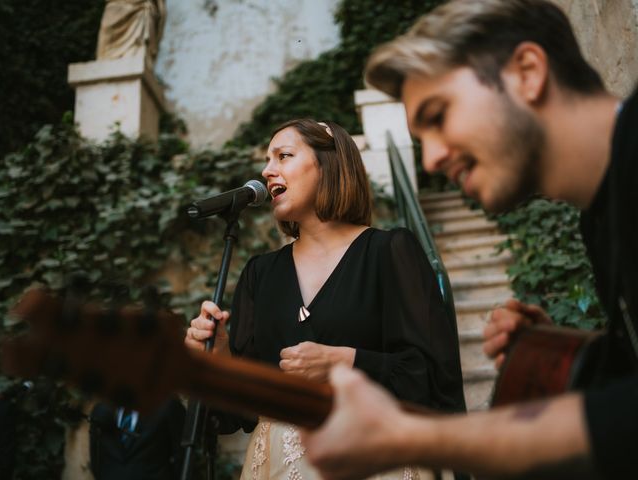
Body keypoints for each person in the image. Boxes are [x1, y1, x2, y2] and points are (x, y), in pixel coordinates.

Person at [299, 0, 638, 479]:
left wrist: (412, 437)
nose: (432, 159)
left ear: (527, 71)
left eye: (438, 116)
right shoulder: (598, 217)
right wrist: (563, 350)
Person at [185, 118, 466, 479]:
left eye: (283, 156)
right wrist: (218, 356)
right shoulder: (260, 273)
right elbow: (239, 411)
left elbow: (432, 378)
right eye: (266, 161)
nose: (268, 171)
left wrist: (348, 361)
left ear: (329, 164)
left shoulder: (389, 252)